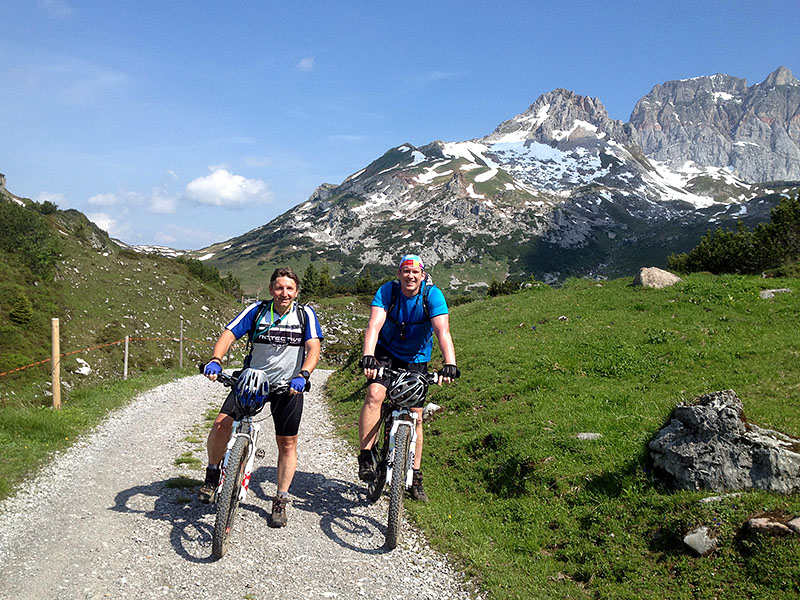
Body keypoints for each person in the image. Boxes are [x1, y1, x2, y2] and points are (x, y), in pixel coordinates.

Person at [200, 266, 323, 528]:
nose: (284, 293)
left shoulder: (305, 314)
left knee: (287, 443)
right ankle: (212, 474)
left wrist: (303, 375)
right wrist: (215, 359)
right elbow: (229, 334)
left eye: (289, 288)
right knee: (221, 424)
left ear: (297, 292)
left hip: (288, 387)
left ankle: (280, 498)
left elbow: (314, 347)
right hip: (251, 382)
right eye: (279, 288)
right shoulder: (257, 310)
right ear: (271, 289)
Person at [357, 254, 458, 502]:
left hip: (417, 358)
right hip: (386, 353)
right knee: (375, 394)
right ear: (399, 274)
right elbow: (373, 326)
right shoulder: (388, 292)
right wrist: (369, 356)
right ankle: (366, 455)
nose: (410, 276)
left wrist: (450, 364)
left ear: (422, 275)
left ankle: (415, 475)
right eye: (405, 271)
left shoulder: (432, 296)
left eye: (415, 272)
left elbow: (442, 331)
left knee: (416, 415)